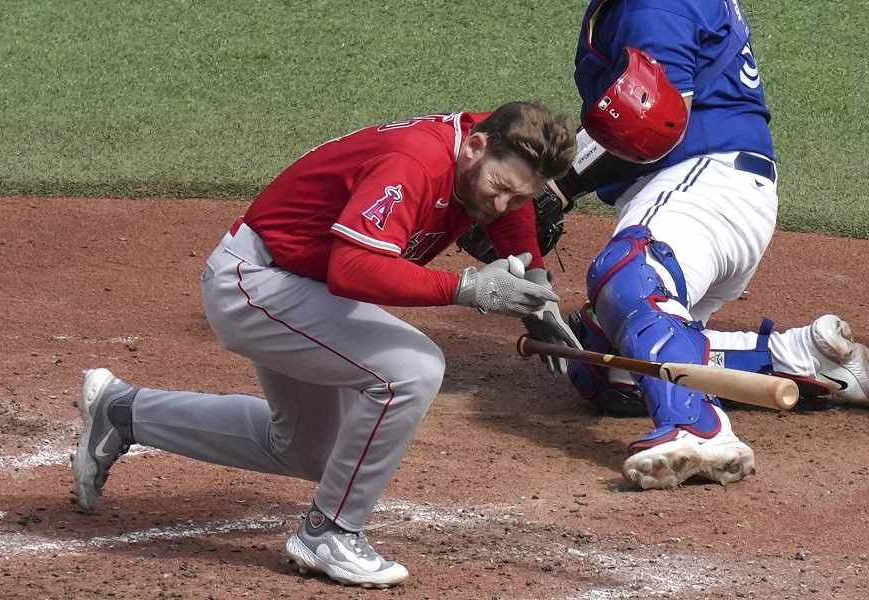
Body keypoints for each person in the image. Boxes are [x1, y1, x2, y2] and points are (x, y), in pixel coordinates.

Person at [71, 102, 576, 588]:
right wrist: (467, 289)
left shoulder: (484, 153)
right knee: (413, 368)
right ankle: (331, 533)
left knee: (310, 450)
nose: (502, 204)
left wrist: (534, 288)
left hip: (299, 288)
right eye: (499, 188)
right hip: (255, 282)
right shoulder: (415, 163)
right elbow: (352, 270)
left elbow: (508, 213)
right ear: (477, 146)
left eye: (520, 196)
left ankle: (124, 413)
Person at [521, 0, 869, 491]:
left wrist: (558, 186)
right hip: (706, 189)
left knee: (628, 273)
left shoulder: (656, 6)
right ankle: (807, 359)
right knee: (612, 372)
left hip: (704, 183)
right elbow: (634, 107)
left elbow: (654, 120)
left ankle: (698, 428)